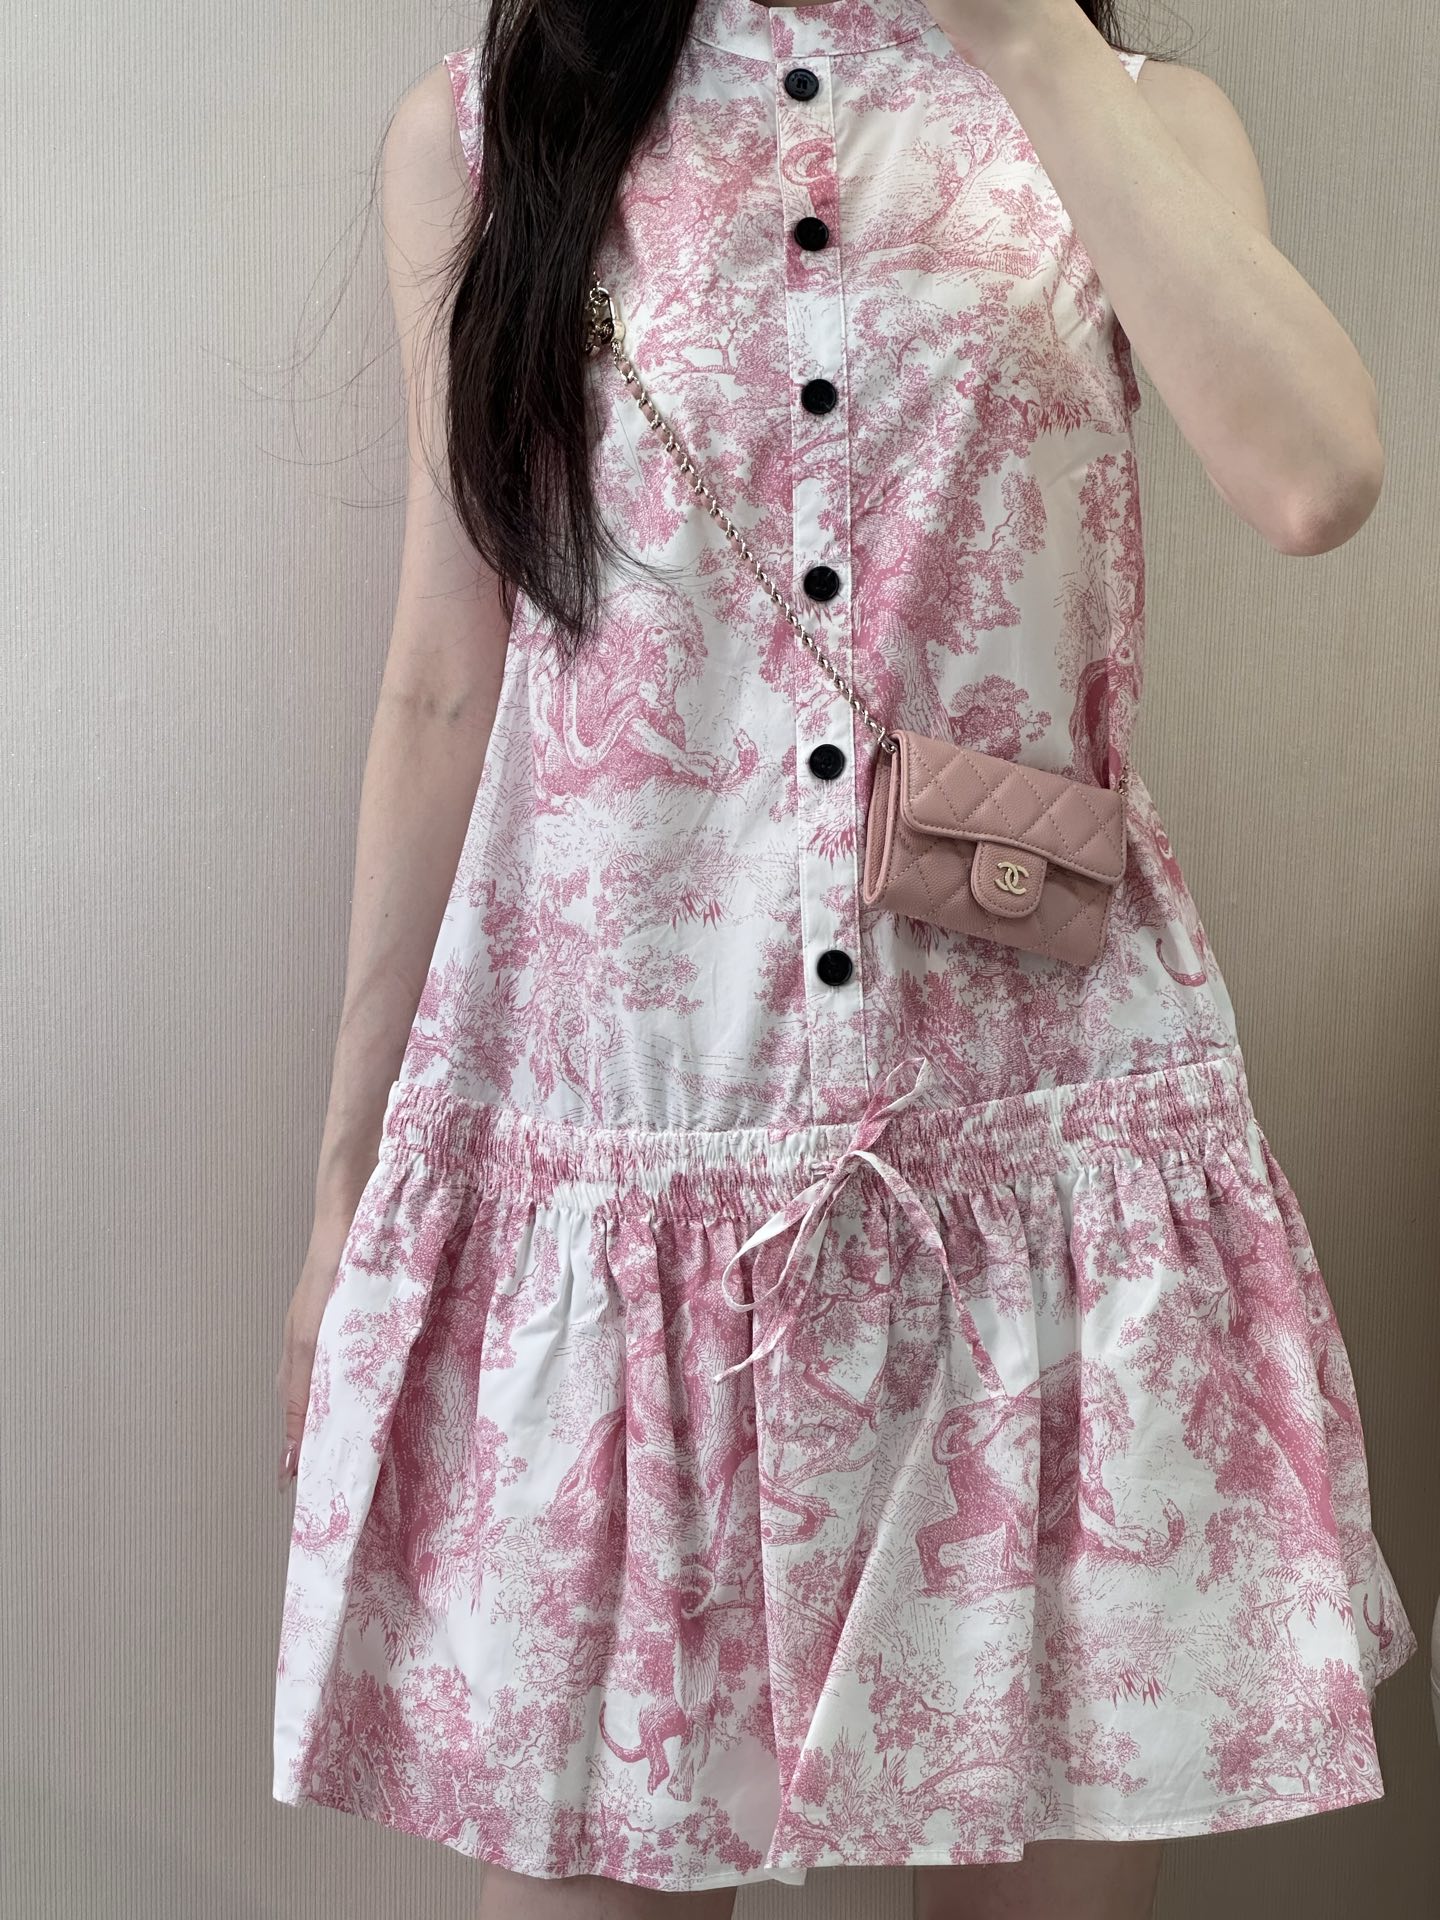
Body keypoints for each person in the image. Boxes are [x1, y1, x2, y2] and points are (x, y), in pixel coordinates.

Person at [271, 2, 1416, 1915]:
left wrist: (1033, 42)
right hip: (630, 1180)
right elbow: (445, 676)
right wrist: (345, 1205)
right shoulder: (489, 137)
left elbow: (1315, 480)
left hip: (1040, 1176)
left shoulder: (1136, 114)